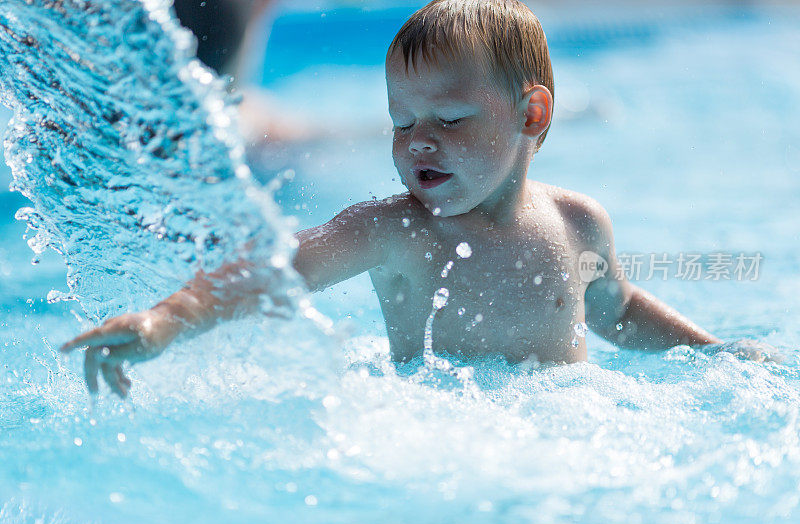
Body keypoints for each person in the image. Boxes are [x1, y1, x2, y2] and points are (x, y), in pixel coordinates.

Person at [61, 0, 773, 397]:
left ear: (532, 115)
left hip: (571, 424)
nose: (418, 143)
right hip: (437, 432)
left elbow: (616, 309)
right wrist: (166, 320)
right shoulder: (390, 231)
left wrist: (717, 354)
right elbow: (271, 268)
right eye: (401, 123)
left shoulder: (578, 221)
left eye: (448, 121)